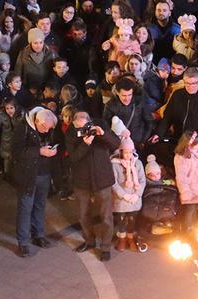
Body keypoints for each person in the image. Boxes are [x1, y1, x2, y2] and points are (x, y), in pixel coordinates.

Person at [10, 107, 60, 257]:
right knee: (25, 208)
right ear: (37, 121)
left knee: (40, 205)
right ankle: (23, 242)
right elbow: (15, 152)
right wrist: (39, 151)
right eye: (45, 128)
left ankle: (38, 235)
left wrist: (52, 150)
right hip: (27, 175)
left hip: (44, 172)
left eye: (49, 128)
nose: (46, 131)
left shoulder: (48, 124)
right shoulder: (22, 128)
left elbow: (54, 139)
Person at [71, 112, 119, 261]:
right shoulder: (71, 133)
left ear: (90, 122)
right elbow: (73, 157)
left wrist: (102, 134)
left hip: (102, 179)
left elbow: (116, 144)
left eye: (85, 126)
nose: (83, 129)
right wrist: (85, 144)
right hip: (82, 181)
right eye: (79, 127)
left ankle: (105, 247)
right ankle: (89, 241)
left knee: (105, 216)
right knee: (83, 214)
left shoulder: (101, 126)